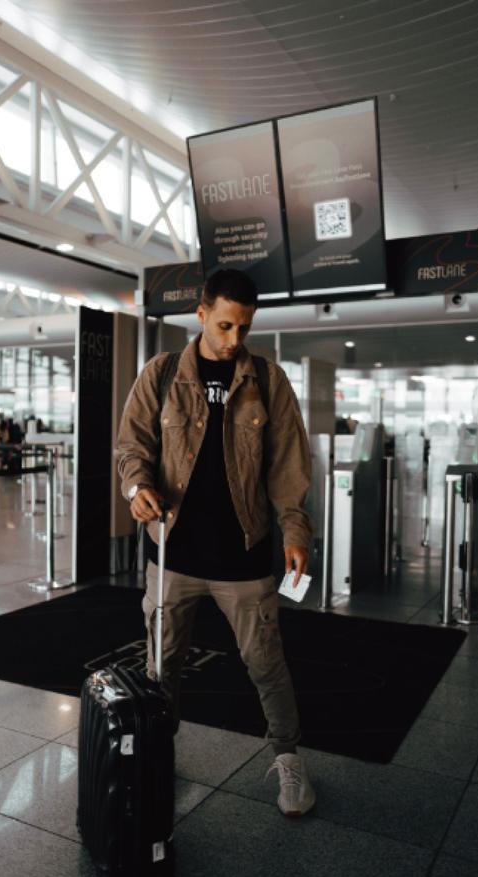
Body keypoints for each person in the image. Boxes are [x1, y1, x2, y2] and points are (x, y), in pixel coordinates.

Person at [114, 268, 316, 817]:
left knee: (265, 663)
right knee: (164, 667)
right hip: (173, 554)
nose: (233, 340)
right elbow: (132, 446)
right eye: (224, 325)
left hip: (244, 557)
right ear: (200, 315)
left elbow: (288, 467)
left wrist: (295, 531)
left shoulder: (268, 382)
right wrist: (138, 488)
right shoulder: (159, 376)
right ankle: (158, 753)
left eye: (243, 329)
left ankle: (289, 759)